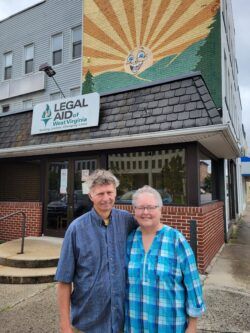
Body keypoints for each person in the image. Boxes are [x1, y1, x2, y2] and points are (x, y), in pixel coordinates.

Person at [55, 169, 137, 333]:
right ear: (91, 195)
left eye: (110, 192)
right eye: (100, 194)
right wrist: (65, 325)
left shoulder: (127, 221)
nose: (106, 198)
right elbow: (64, 281)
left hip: (123, 323)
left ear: (116, 192)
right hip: (87, 323)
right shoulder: (76, 229)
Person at [125, 185, 206, 333]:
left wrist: (192, 326)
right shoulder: (129, 241)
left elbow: (193, 285)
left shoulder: (176, 240)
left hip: (169, 326)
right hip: (134, 325)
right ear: (134, 211)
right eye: (140, 207)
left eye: (150, 207)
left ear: (160, 209)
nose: (145, 212)